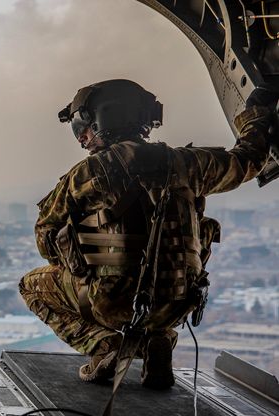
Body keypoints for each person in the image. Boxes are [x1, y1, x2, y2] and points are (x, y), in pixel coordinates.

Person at [19, 79, 276, 389]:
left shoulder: (86, 175)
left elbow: (45, 240)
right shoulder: (189, 164)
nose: (82, 139)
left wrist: (84, 255)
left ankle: (107, 346)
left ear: (101, 120)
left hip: (112, 303)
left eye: (82, 128)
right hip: (177, 303)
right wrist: (257, 111)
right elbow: (247, 159)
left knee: (31, 286)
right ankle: (159, 339)